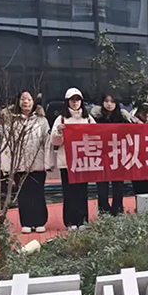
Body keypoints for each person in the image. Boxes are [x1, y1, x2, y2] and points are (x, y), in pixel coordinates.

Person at [0, 90, 52, 234]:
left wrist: (48, 163)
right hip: (19, 164)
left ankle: (40, 221)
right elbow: (7, 144)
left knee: (38, 193)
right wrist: (7, 166)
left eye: (29, 99)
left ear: (34, 102)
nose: (26, 102)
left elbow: (47, 143)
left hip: (37, 163)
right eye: (23, 99)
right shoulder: (11, 121)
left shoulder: (41, 120)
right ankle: (26, 222)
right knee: (23, 194)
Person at [51, 87, 96, 230]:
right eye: (72, 100)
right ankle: (70, 221)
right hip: (66, 162)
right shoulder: (61, 119)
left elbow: (96, 136)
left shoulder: (88, 118)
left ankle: (82, 220)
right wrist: (59, 132)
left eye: (78, 100)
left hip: (83, 162)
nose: (75, 103)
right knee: (69, 192)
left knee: (82, 192)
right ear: (67, 102)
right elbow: (54, 142)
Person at [91, 94, 138, 216]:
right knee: (102, 187)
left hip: (118, 156)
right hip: (101, 156)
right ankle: (104, 213)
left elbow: (134, 130)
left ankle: (118, 211)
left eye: (112, 101)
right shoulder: (96, 118)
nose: (109, 104)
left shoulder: (122, 117)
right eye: (106, 101)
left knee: (118, 186)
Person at [130, 102, 148, 197]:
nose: (147, 114)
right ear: (139, 112)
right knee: (138, 187)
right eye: (144, 112)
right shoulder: (131, 123)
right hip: (136, 160)